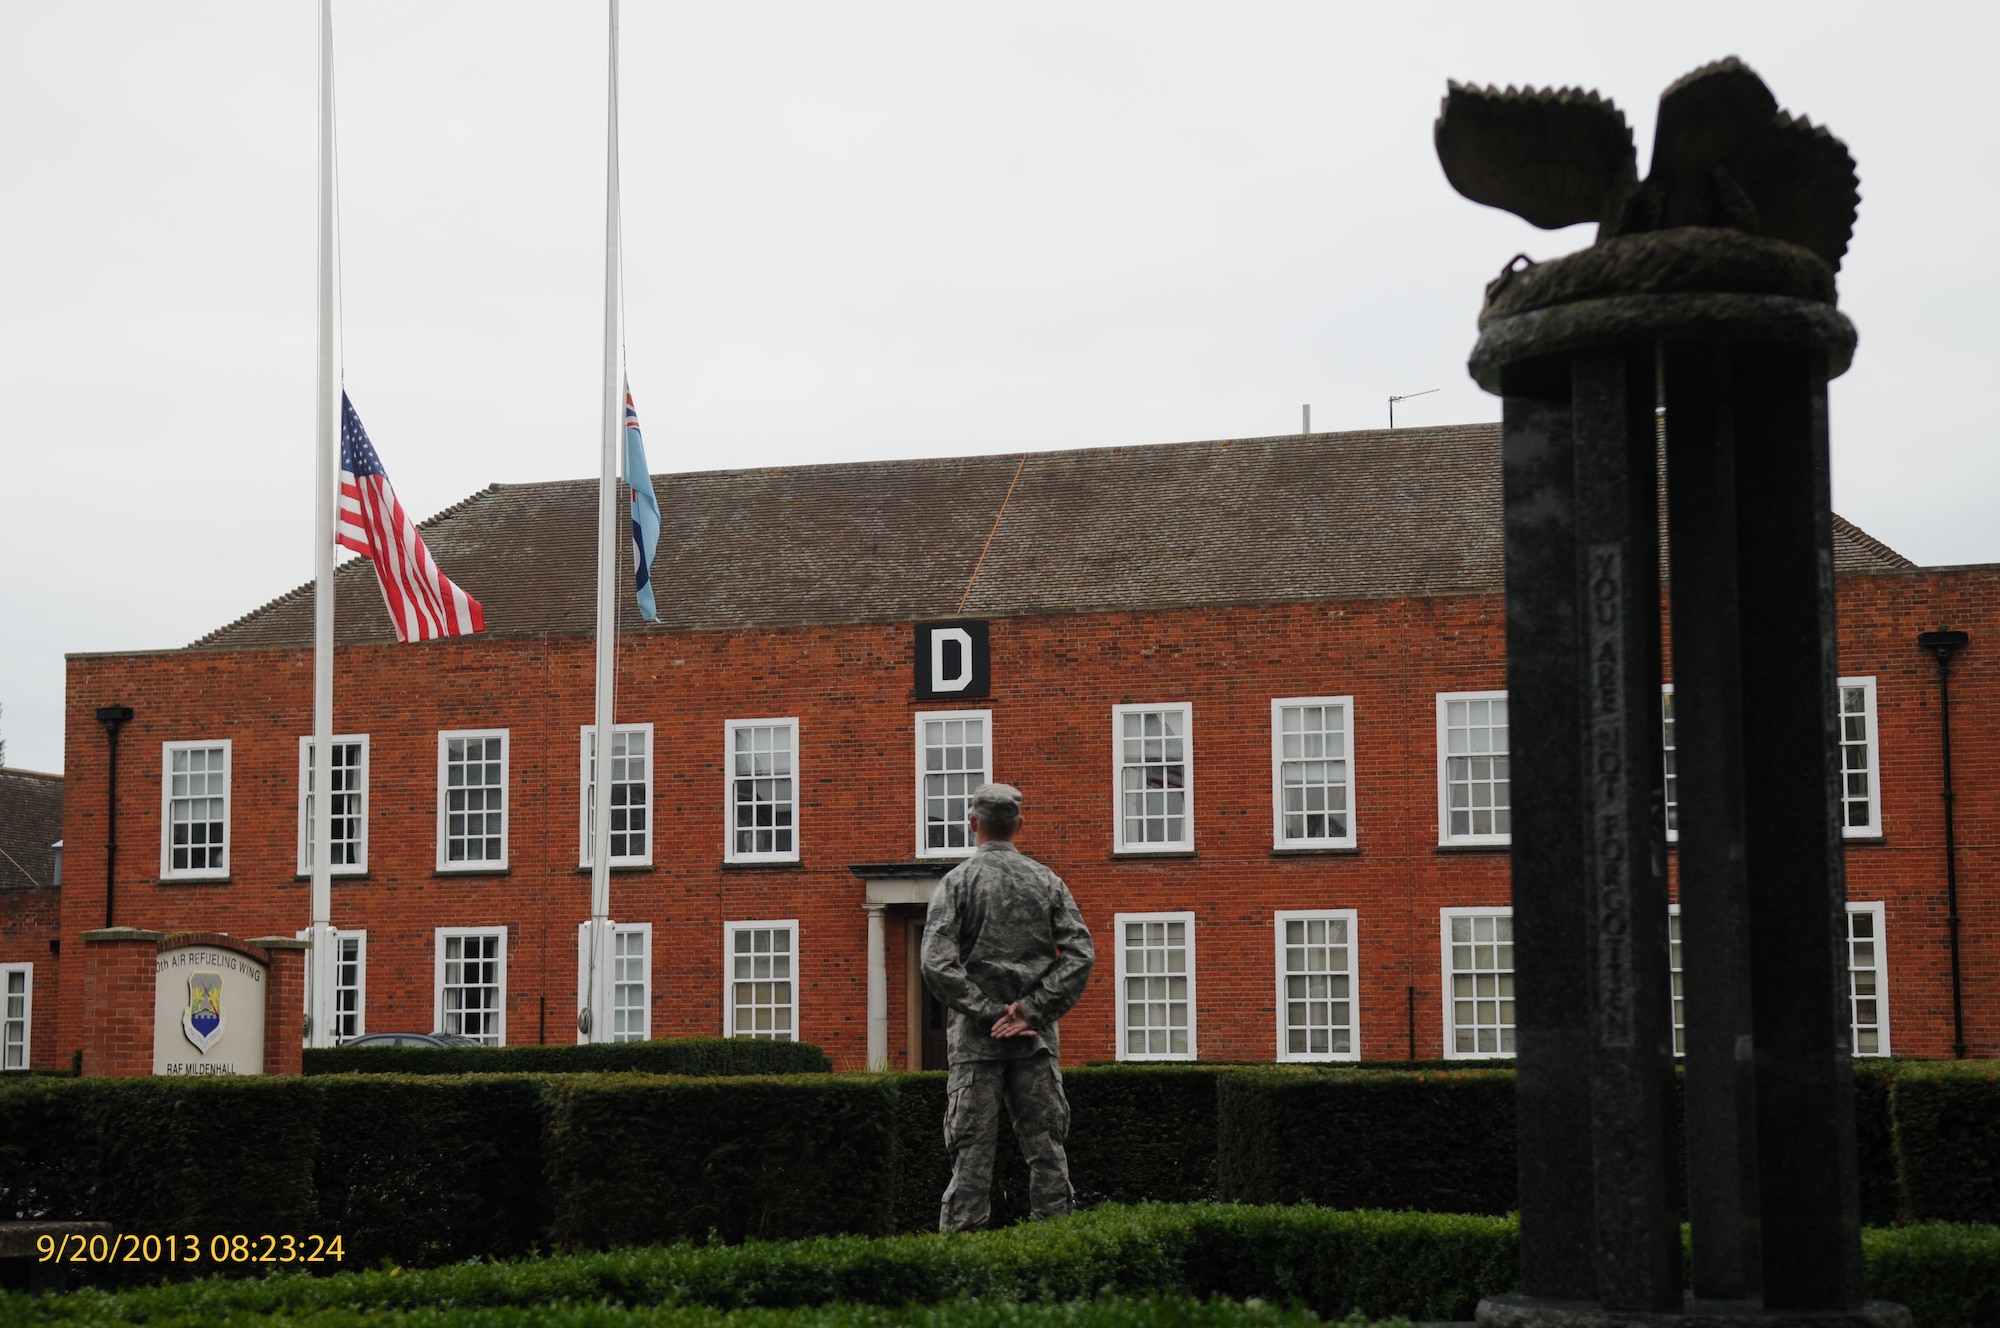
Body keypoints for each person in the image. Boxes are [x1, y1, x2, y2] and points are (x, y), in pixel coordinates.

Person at [920, 782, 1094, 1232]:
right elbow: (1080, 955)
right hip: (1034, 1043)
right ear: (1019, 824)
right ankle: (1055, 1258)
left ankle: (963, 1268)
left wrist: (988, 1013)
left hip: (976, 1046)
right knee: (1048, 1156)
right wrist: (1029, 1012)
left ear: (972, 823)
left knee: (971, 1161)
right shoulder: (1046, 881)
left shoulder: (957, 883)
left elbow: (936, 963)